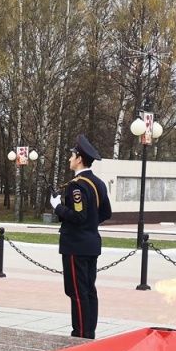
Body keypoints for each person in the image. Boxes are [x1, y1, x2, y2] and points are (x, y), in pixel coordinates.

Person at [50, 134, 112, 339]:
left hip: (75, 245)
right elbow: (106, 213)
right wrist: (90, 226)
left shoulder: (76, 186)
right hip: (91, 244)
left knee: (77, 292)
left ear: (79, 159)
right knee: (89, 290)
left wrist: (57, 207)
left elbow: (78, 216)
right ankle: (89, 332)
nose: (69, 159)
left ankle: (81, 335)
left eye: (72, 155)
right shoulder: (99, 183)